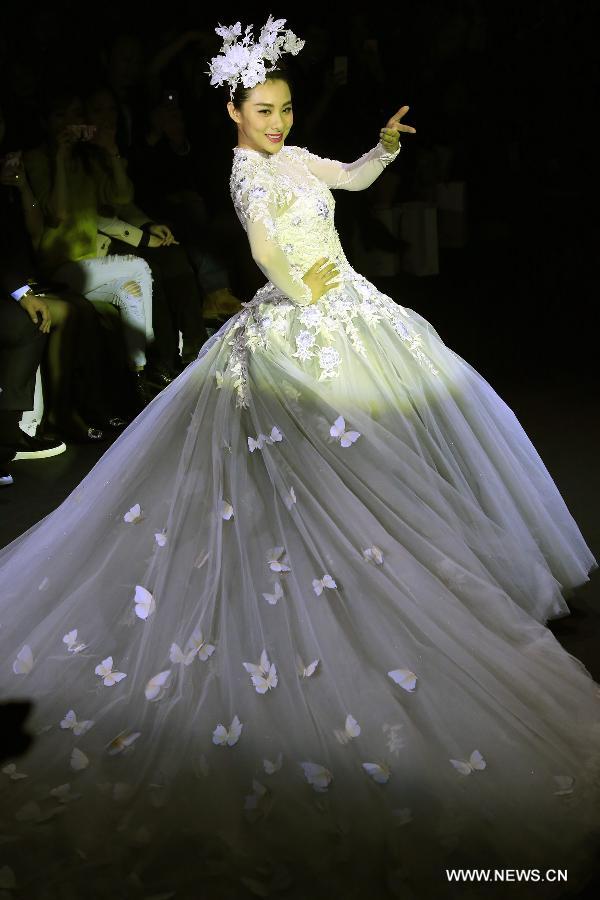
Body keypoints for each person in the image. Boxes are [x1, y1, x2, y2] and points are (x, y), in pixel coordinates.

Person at [0, 18, 599, 900]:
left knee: (398, 446)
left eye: (283, 109)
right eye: (263, 110)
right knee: (333, 463)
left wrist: (383, 150)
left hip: (350, 307)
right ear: (234, 114)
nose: (276, 123)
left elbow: (348, 177)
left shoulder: (295, 156)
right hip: (303, 318)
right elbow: (260, 246)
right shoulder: (244, 170)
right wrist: (296, 284)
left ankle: (433, 566)